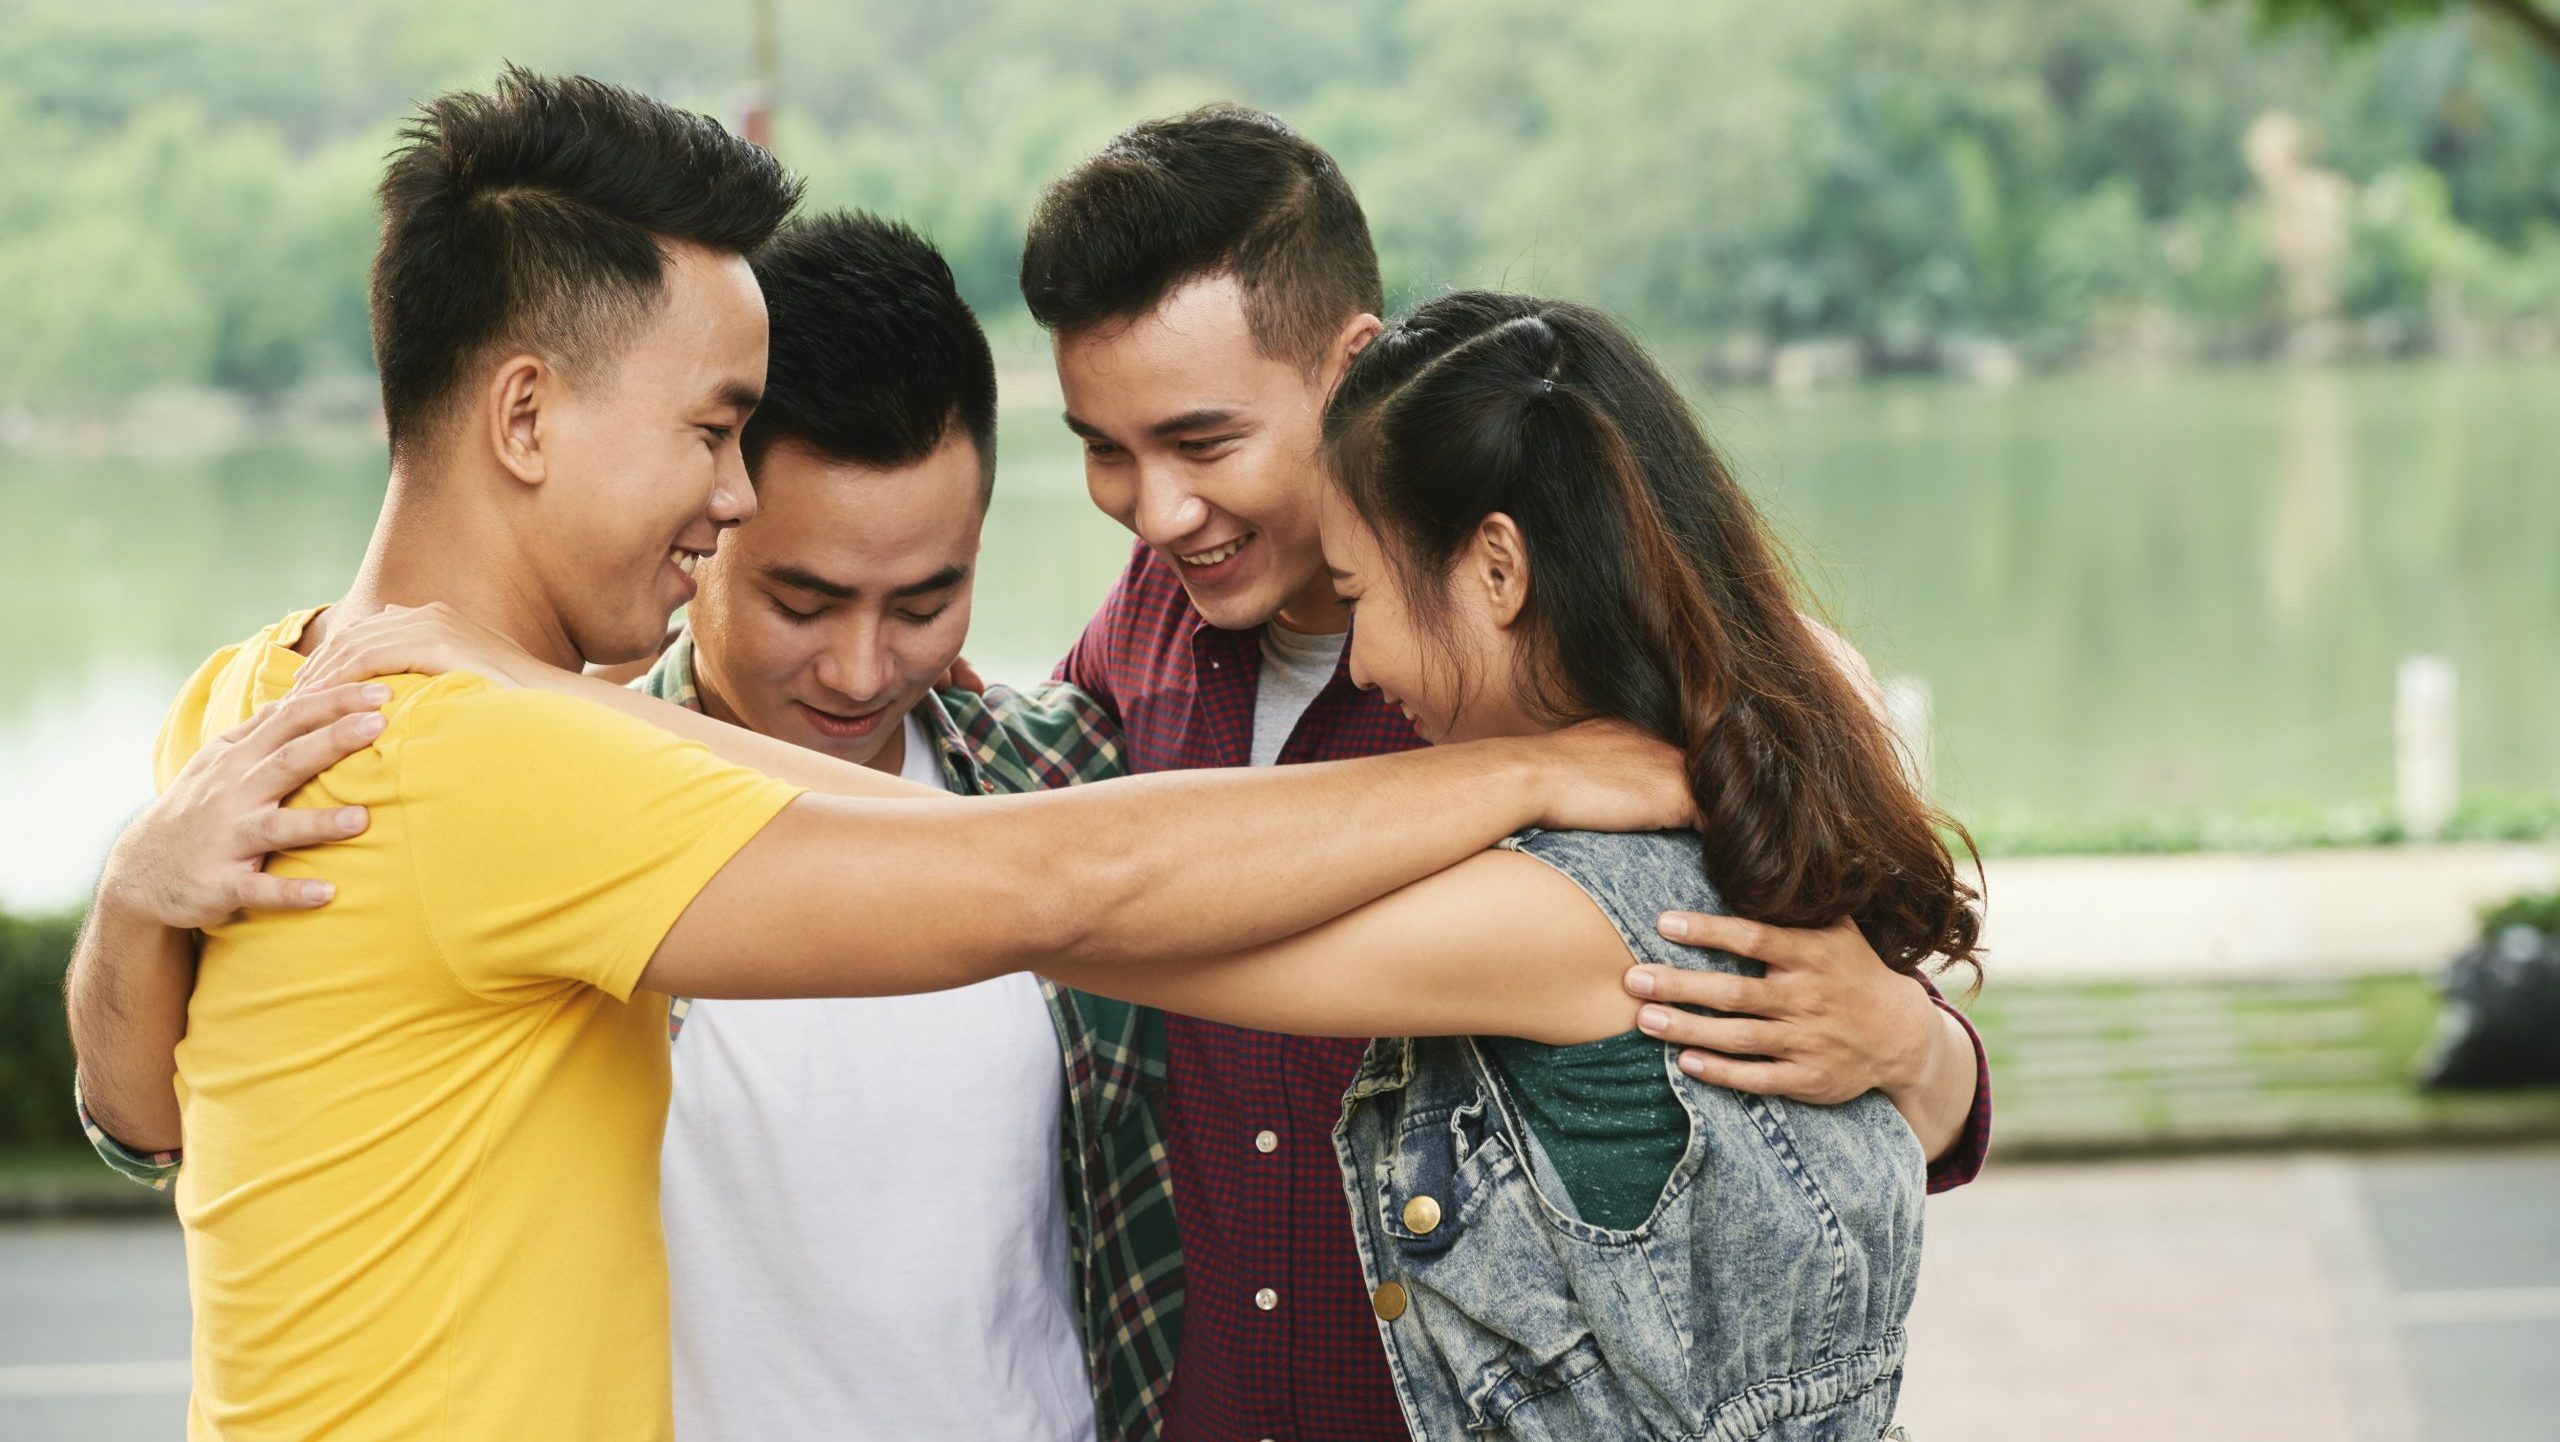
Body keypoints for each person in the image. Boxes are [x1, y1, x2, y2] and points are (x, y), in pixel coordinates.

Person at [60, 70, 1685, 1442]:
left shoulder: (265, 693)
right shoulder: (477, 755)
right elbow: (1059, 873)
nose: (726, 494)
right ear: (529, 418)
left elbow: (142, 1105)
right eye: (710, 428)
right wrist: (1523, 779)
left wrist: (131, 904)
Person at [79, 210, 1181, 1440]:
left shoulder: (1069, 771)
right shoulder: (540, 793)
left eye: (924, 600)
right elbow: (159, 1131)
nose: (864, 668)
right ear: (707, 528)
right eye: (802, 599)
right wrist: (131, 893)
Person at [1018, 103, 1994, 1436]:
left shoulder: (1632, 712)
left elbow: (1834, 1133)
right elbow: (1022, 811)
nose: (1156, 510)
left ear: (1350, 364)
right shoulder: (1143, 626)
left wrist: (1916, 1048)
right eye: (1101, 450)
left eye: (1200, 445)